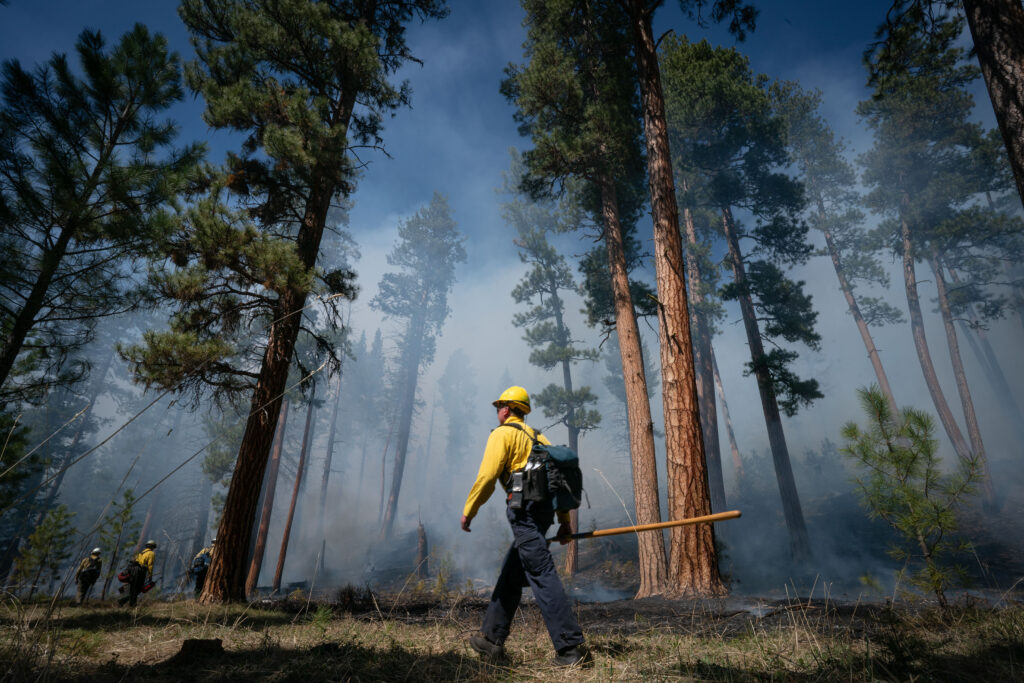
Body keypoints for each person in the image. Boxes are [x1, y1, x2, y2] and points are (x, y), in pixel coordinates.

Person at [460, 386, 590, 667]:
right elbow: (557, 484)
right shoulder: (539, 438)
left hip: (524, 514)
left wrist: (469, 511)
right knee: (512, 572)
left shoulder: (502, 434)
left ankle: (570, 649)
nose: (497, 412)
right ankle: (491, 640)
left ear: (507, 409)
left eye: (499, 407)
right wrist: (564, 522)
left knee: (542, 573)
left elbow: (487, 476)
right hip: (542, 515)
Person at [119, 540, 156, 607]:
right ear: (153, 546)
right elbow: (150, 565)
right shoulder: (151, 553)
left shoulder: (142, 552)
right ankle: (130, 604)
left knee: (133, 588)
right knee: (138, 589)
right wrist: (150, 575)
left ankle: (127, 602)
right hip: (139, 572)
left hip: (133, 571)